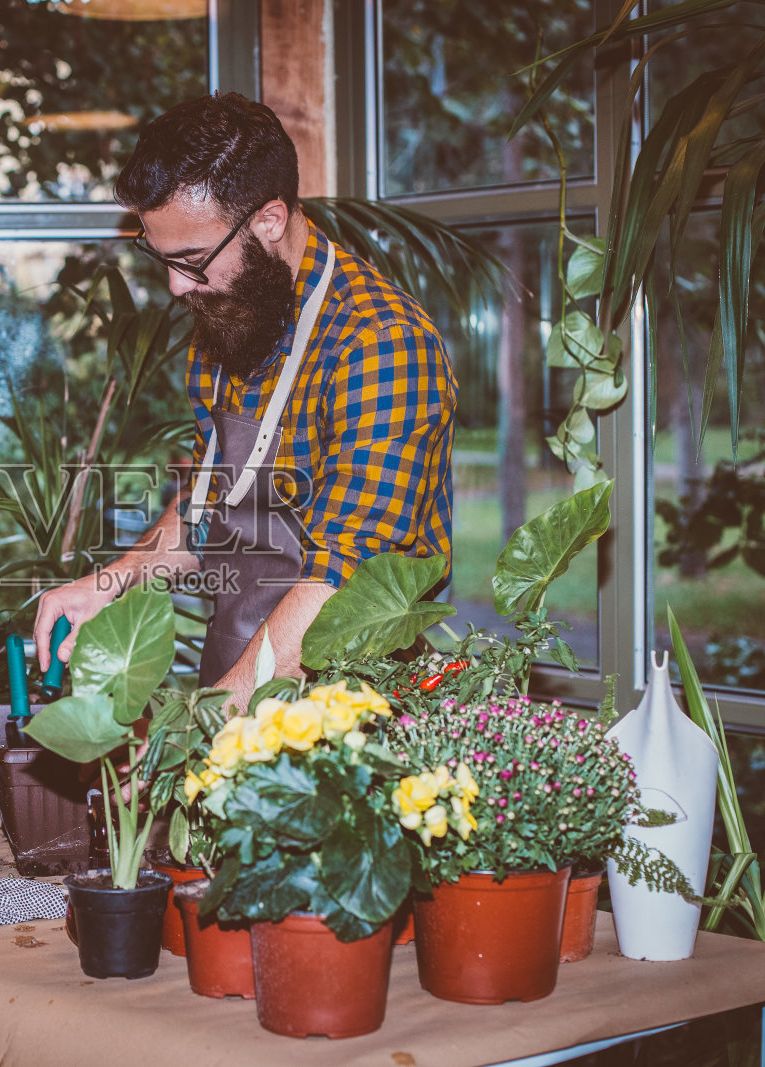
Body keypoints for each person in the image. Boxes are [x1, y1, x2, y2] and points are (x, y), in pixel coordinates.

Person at [33, 92, 455, 712]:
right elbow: (210, 501)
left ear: (269, 220)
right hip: (239, 677)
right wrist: (110, 582)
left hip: (350, 706)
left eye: (192, 260)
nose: (176, 287)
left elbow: (346, 581)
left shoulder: (382, 343)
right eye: (162, 258)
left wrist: (209, 725)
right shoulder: (232, 315)